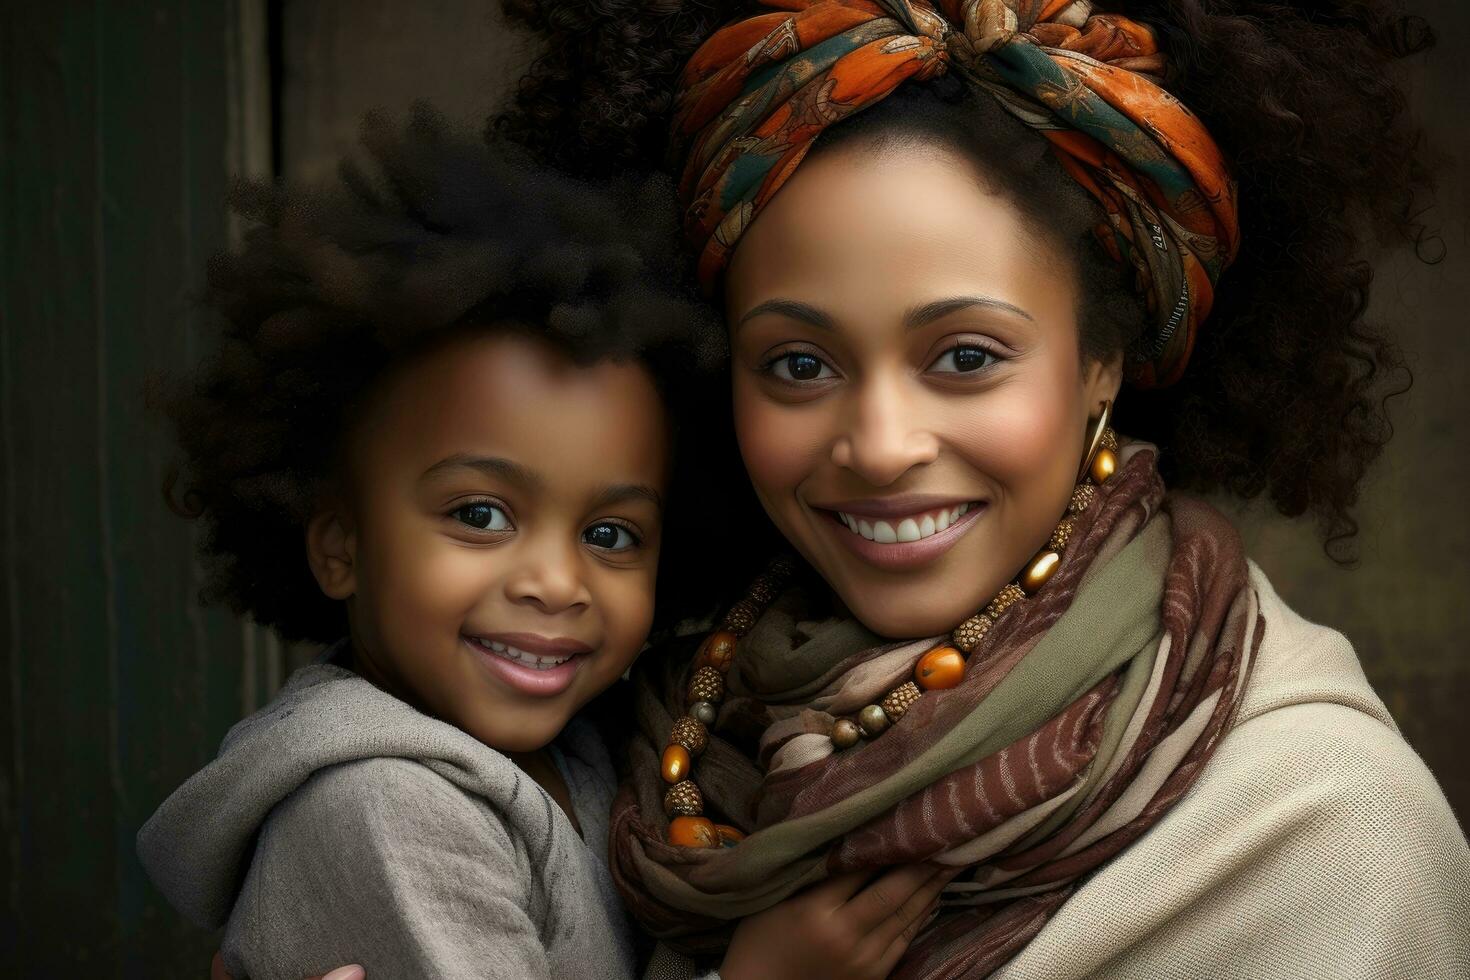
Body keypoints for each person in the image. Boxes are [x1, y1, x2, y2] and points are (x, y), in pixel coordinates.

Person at [485, 1, 1470, 977]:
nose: (878, 445)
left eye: (965, 355)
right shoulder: (625, 743)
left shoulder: (1321, 834)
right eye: (797, 364)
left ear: (1103, 361)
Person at [137, 109, 952, 980]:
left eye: (610, 534)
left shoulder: (588, 750)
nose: (557, 582)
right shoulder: (385, 803)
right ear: (339, 542)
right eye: (480, 516)